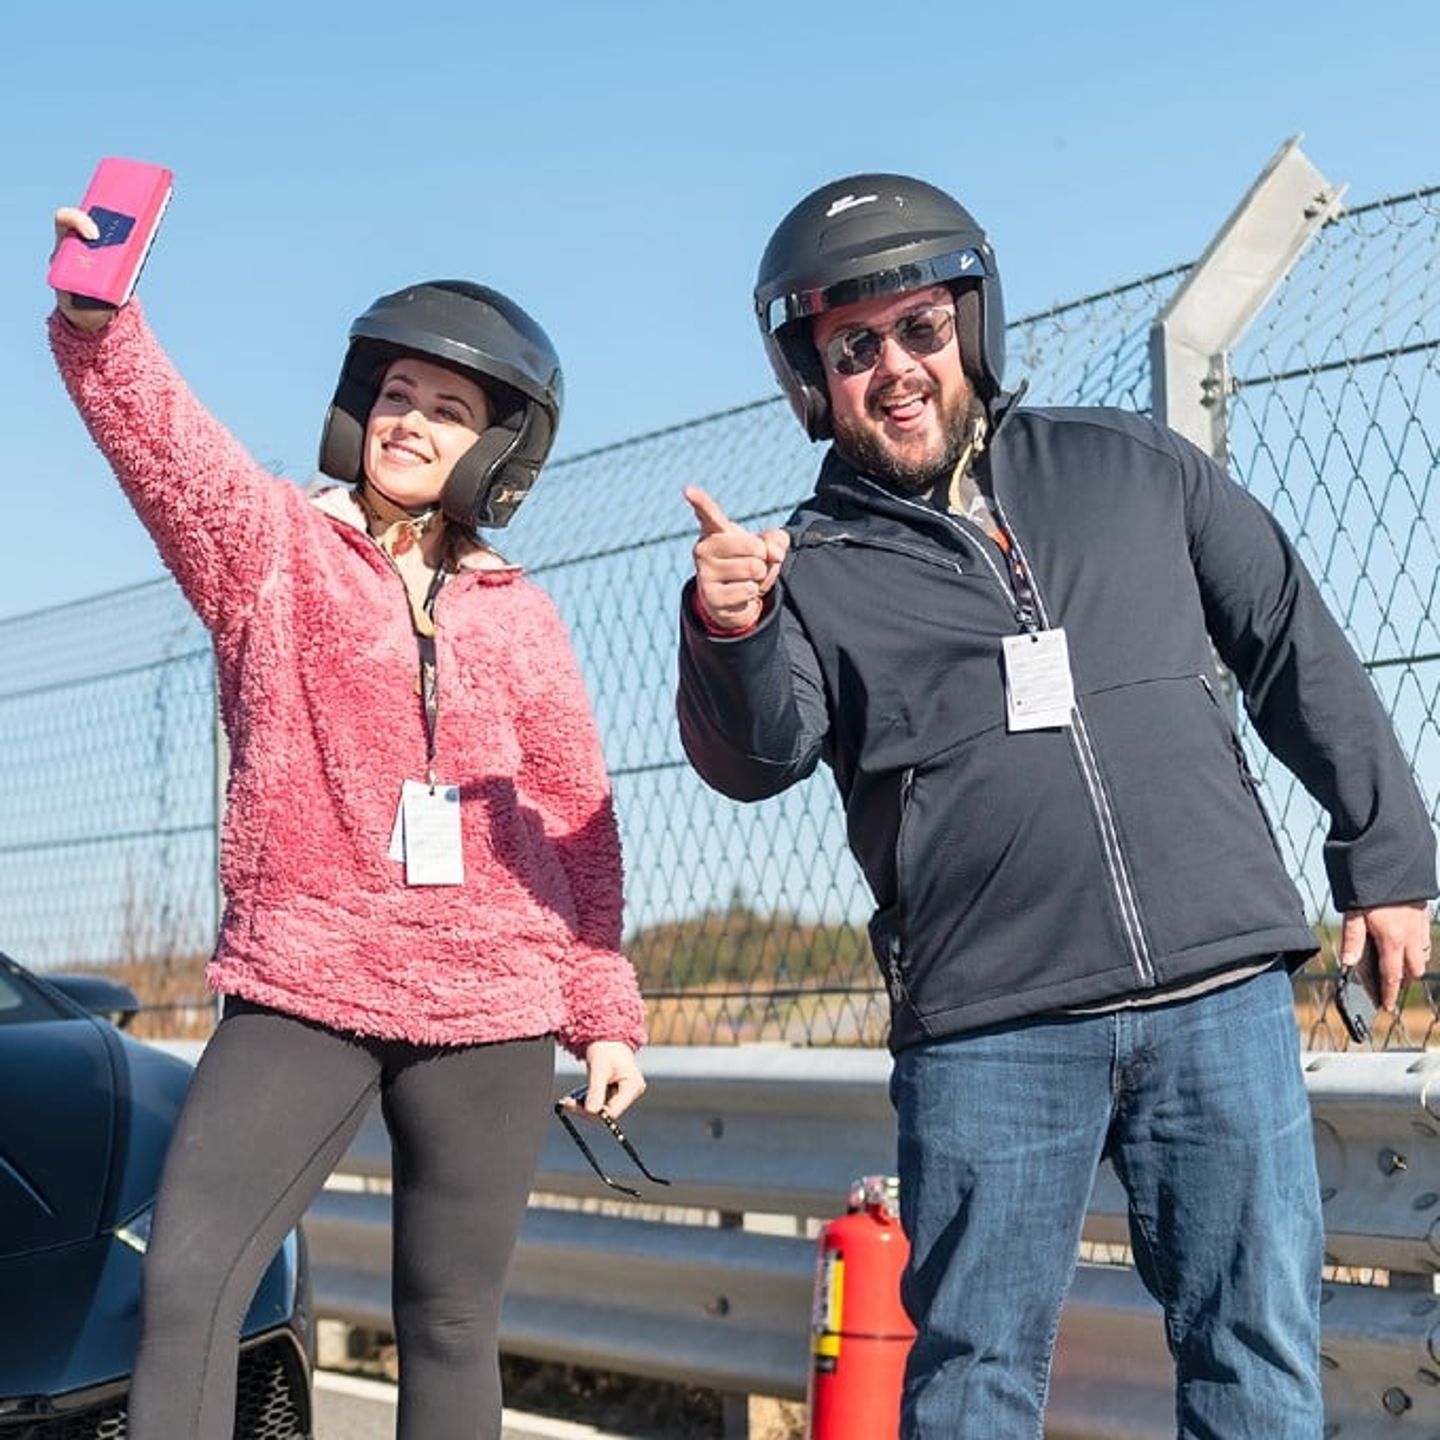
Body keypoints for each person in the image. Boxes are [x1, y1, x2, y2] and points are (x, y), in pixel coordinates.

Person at [676, 173, 1436, 1437]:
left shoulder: (1128, 464)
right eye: (854, 347)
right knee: (974, 1377)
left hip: (1218, 993)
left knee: (1256, 1356)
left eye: (920, 329)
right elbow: (759, 754)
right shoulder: (809, 569)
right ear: (813, 377)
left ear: (970, 326)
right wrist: (731, 625)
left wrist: (1387, 855)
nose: (898, 368)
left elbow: (1292, 641)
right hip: (992, 1026)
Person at [49, 203, 648, 1440]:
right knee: (189, 1278)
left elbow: (579, 820)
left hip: (493, 1002)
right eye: (394, 392)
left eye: (446, 407)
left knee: (446, 1323)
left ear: (500, 452)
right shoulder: (272, 549)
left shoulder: (523, 617)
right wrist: (100, 320)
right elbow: (165, 445)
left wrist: (602, 1008)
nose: (407, 419)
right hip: (305, 981)